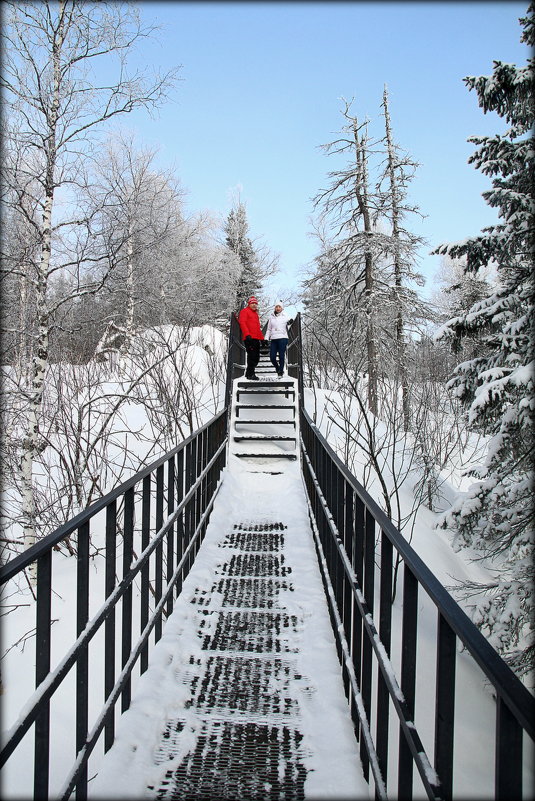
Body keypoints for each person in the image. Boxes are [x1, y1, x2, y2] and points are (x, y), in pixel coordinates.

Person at [238, 296, 264, 380]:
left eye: (255, 304)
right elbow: (242, 323)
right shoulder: (244, 311)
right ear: (249, 304)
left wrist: (262, 339)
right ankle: (251, 374)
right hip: (249, 338)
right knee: (252, 356)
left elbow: (258, 328)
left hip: (256, 338)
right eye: (252, 303)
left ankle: (248, 373)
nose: (254, 305)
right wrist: (247, 334)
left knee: (256, 357)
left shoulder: (256, 315)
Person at [266, 300, 291, 377]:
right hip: (274, 338)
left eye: (279, 306)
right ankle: (277, 368)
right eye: (276, 306)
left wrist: (290, 321)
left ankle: (281, 371)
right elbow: (269, 329)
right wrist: (266, 338)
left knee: (281, 356)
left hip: (283, 338)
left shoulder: (285, 315)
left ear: (282, 308)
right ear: (275, 308)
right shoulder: (271, 317)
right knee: (272, 357)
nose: (278, 308)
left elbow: (290, 320)